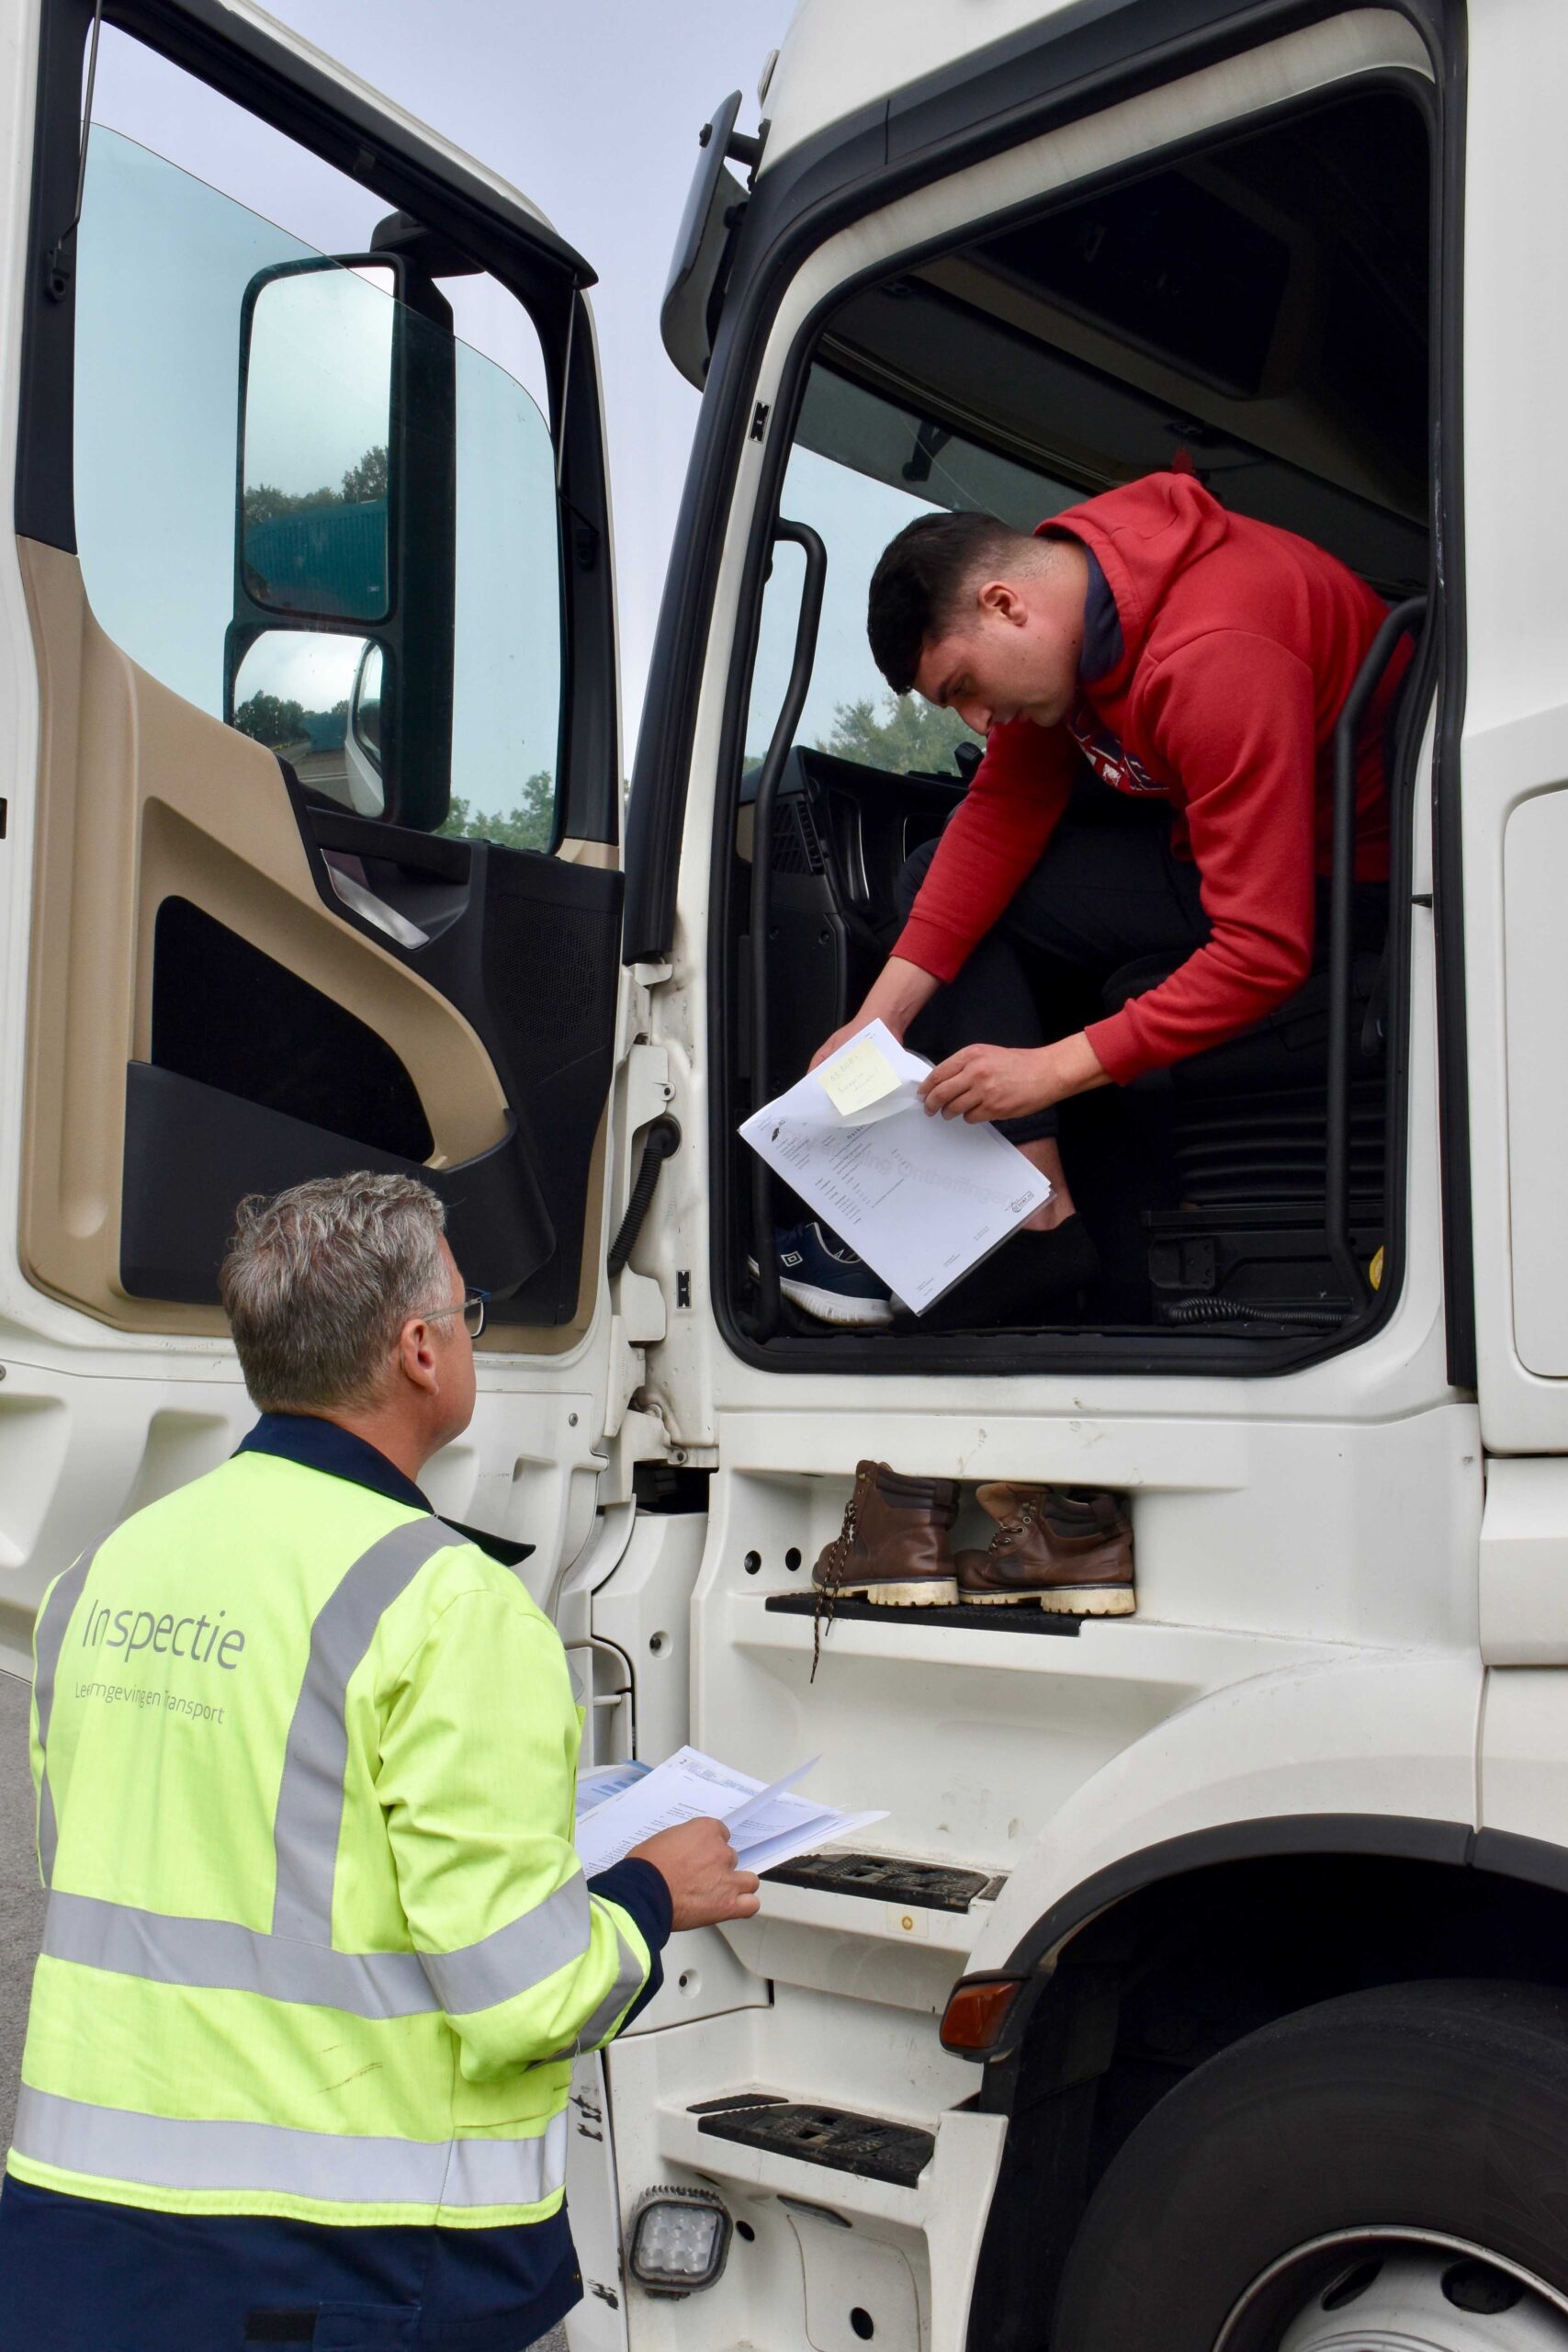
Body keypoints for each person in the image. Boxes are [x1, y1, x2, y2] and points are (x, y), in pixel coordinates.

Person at [0, 1172, 758, 2351]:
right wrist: (655, 1890)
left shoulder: (107, 1570)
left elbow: (151, 1867)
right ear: (418, 1349)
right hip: (341, 2264)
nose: (469, 1336)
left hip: (78, 2245)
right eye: (468, 1312)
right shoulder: (449, 1605)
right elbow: (528, 1998)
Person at [801, 469, 1409, 1329]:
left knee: (993, 920)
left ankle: (1032, 1215)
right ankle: (1040, 1203)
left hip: (1348, 883)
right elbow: (1002, 811)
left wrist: (1045, 1069)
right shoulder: (1082, 593)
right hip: (1225, 848)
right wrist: (877, 1022)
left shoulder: (1209, 655)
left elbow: (1263, 949)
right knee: (935, 871)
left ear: (1003, 604)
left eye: (963, 686)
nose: (977, 719)